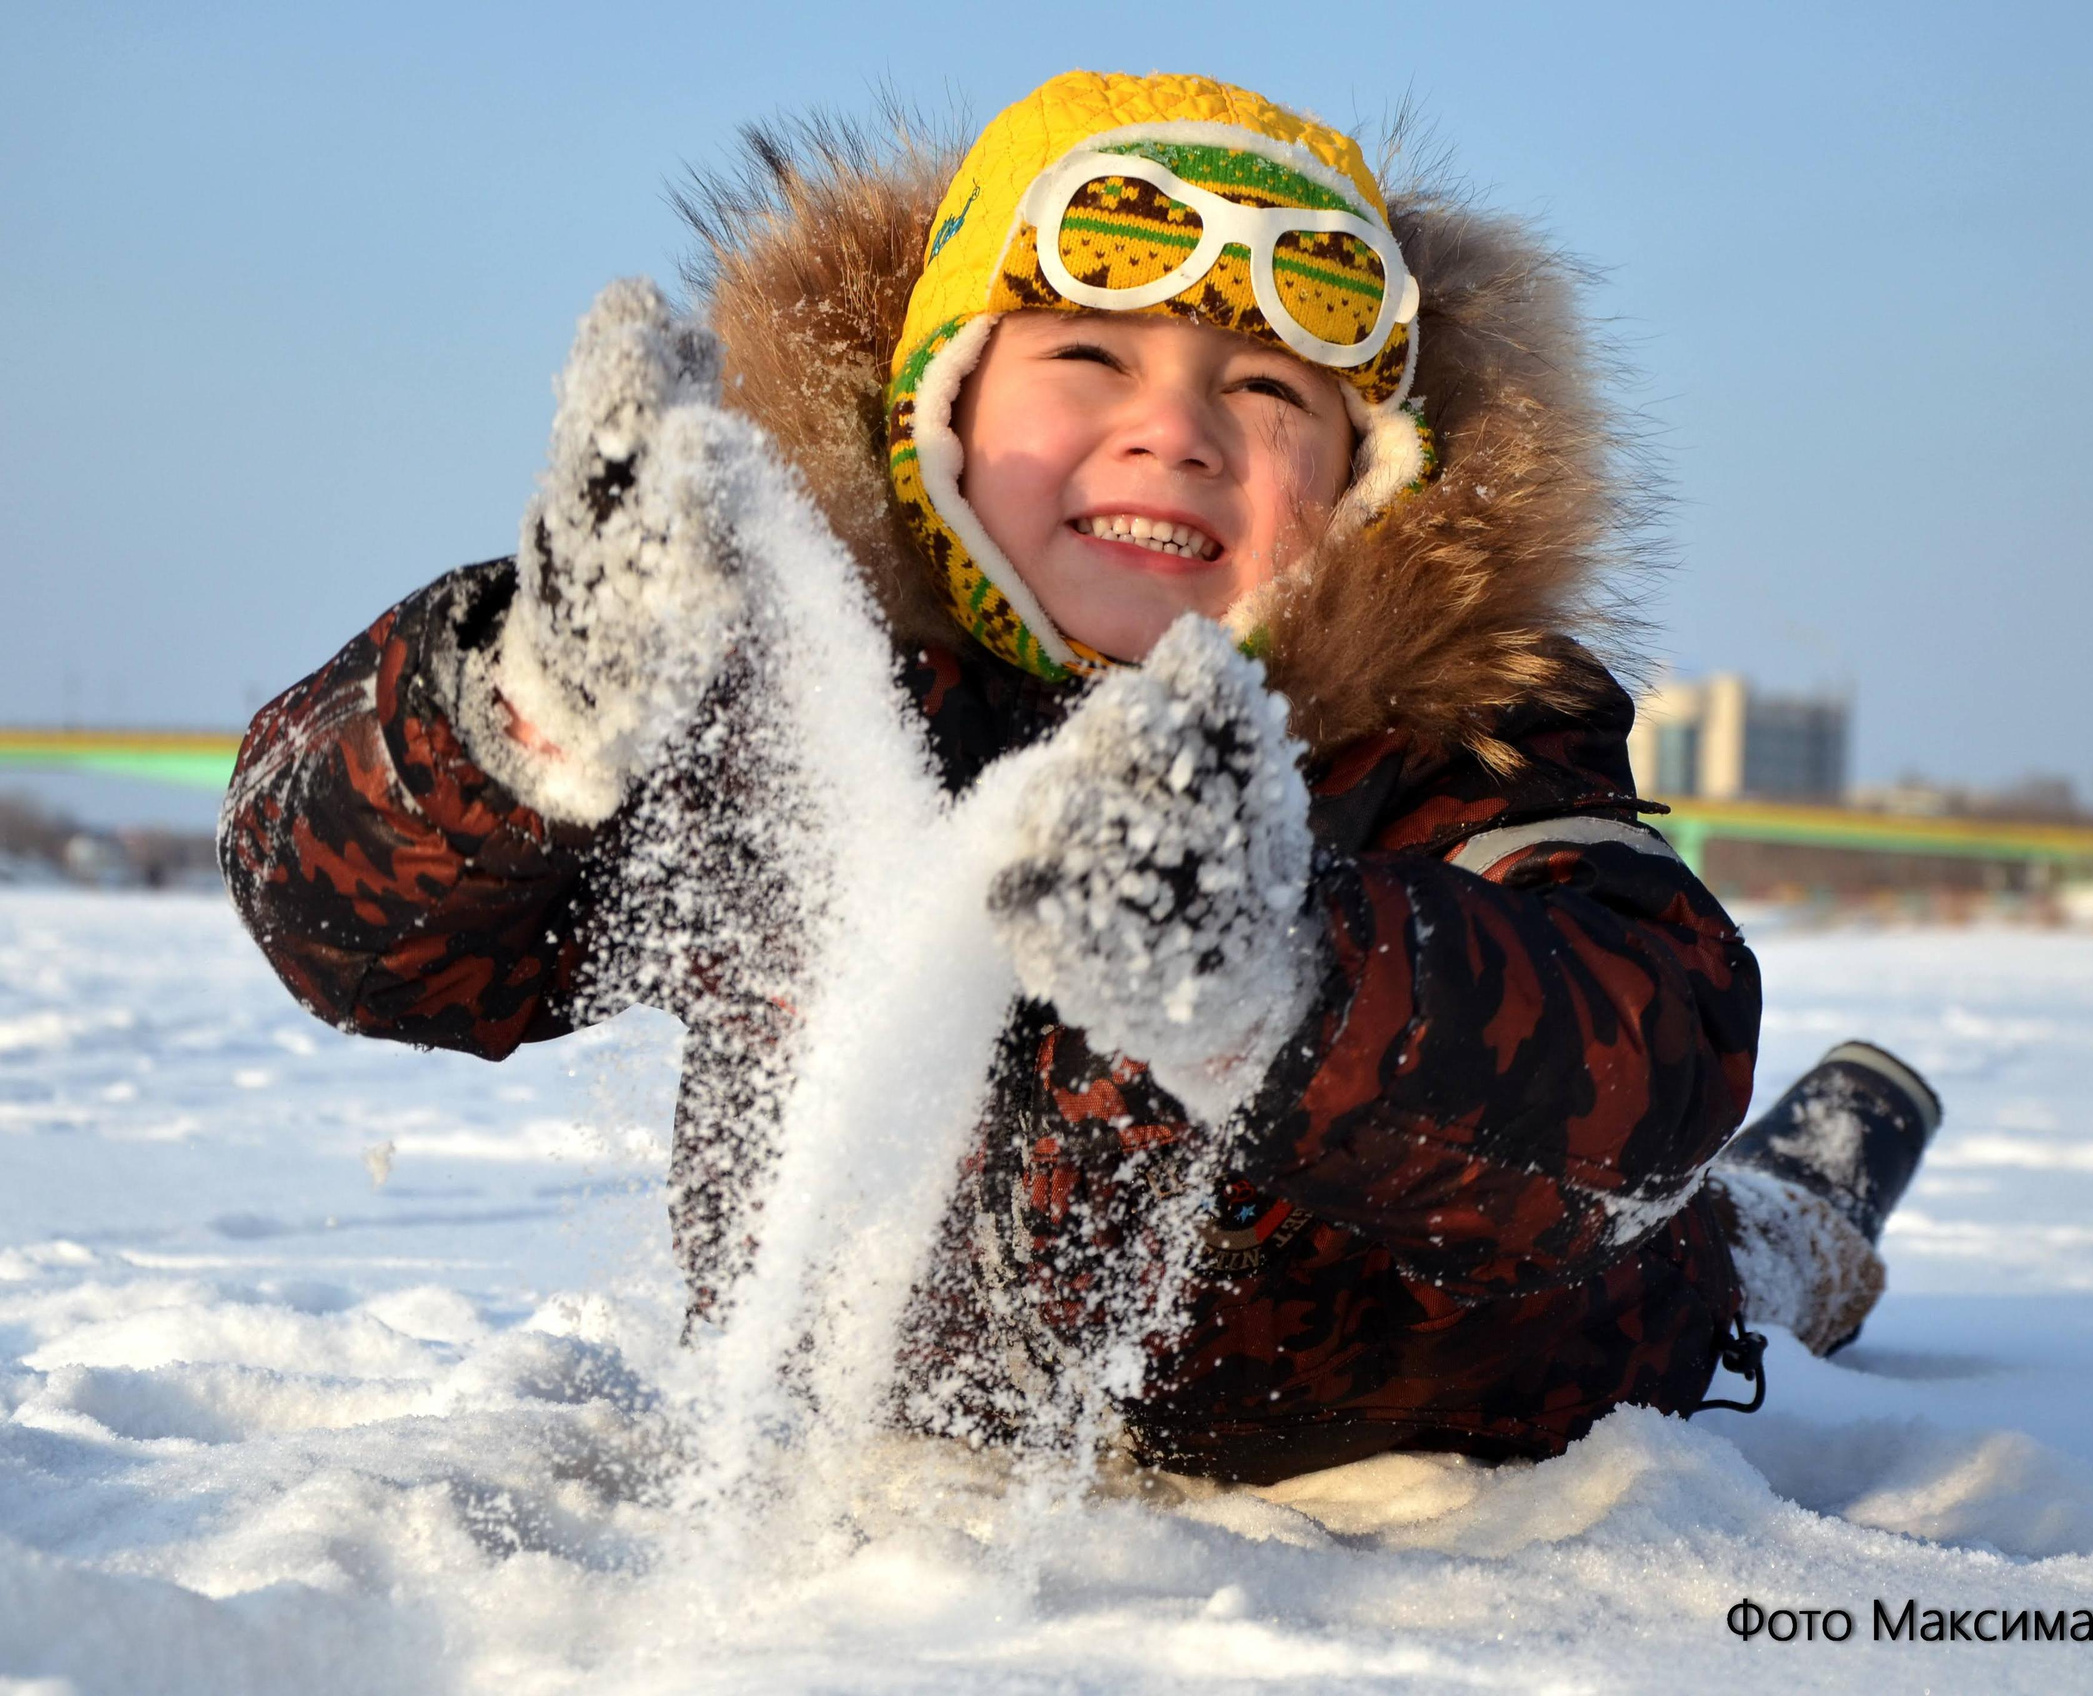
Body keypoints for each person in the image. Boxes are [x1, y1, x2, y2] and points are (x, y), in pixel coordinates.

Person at [220, 70, 1942, 1485]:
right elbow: (366, 942)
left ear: (1366, 476)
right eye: (1088, 356)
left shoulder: (1451, 733)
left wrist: (1279, 967)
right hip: (929, 1418)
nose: (1174, 429)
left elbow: (1641, 1063)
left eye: (1266, 389)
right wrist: (538, 706)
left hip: (1483, 1396)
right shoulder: (796, 712)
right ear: (939, 417)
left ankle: (1816, 1189)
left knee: (1741, 1240)